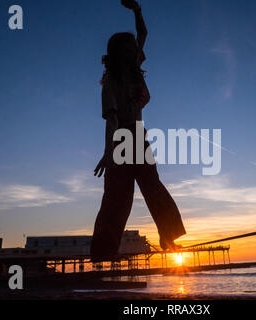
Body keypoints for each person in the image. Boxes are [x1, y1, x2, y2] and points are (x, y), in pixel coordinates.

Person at [90, 0, 186, 262]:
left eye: (135, 48)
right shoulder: (111, 80)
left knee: (152, 186)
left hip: (137, 135)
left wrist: (137, 10)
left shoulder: (134, 70)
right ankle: (103, 251)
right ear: (120, 53)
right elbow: (111, 118)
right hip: (122, 136)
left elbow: (143, 35)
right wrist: (109, 152)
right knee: (118, 196)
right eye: (130, 47)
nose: (136, 49)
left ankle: (167, 236)